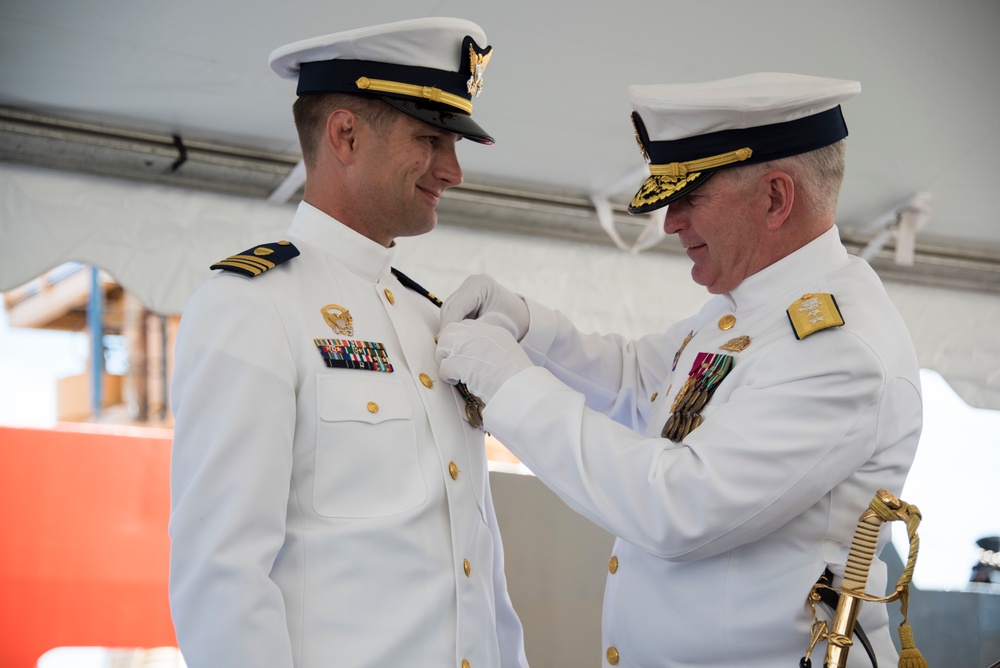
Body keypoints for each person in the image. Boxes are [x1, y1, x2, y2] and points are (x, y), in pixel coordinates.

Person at [435, 72, 923, 667]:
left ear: (775, 197)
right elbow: (643, 382)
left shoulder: (840, 348)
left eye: (690, 196)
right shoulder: (749, 306)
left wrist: (509, 386)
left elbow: (678, 507)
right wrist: (529, 327)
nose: (670, 222)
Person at [169, 18, 528, 668]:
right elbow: (221, 577)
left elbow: (477, 567)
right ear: (345, 134)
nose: (453, 170)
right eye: (430, 139)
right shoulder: (254, 303)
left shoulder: (431, 318)